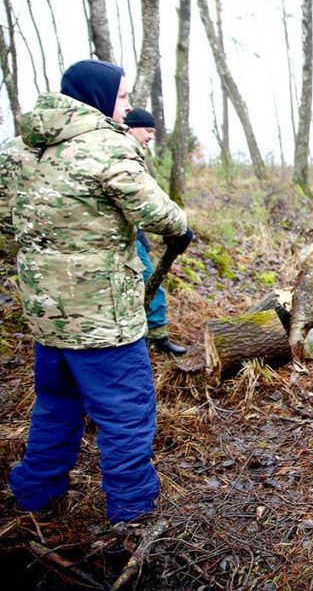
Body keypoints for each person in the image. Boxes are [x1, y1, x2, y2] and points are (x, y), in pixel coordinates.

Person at [1, 59, 193, 523]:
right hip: (104, 320)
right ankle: (132, 510)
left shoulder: (16, 150)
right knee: (126, 414)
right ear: (96, 94)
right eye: (123, 97)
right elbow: (159, 216)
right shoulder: (107, 147)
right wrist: (182, 226)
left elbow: (6, 232)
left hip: (47, 316)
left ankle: (35, 491)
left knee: (55, 405)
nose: (126, 108)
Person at [123, 108, 187, 355]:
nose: (151, 136)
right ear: (131, 127)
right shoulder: (122, 154)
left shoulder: (132, 154)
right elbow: (146, 205)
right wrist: (177, 227)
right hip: (125, 240)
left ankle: (151, 336)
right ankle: (156, 338)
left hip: (133, 235)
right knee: (150, 281)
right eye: (148, 130)